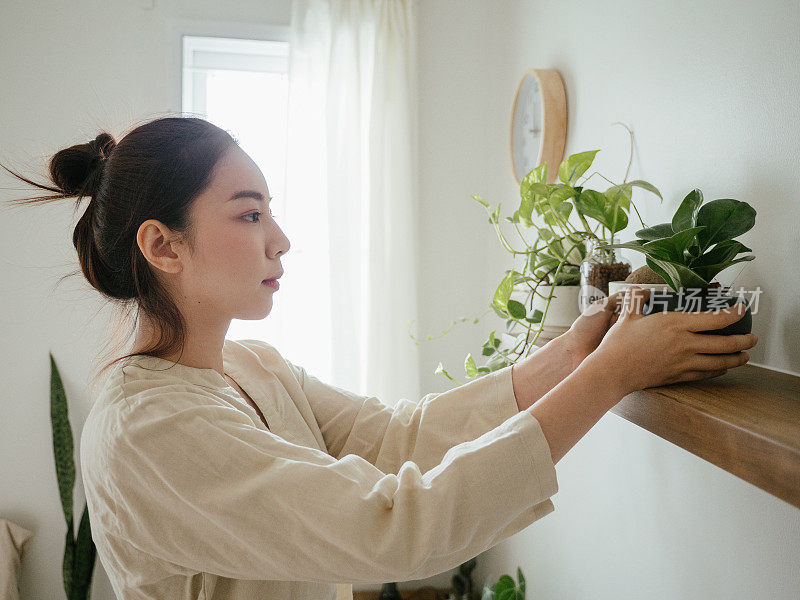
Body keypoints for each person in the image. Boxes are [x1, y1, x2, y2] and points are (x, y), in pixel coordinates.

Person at [1, 116, 757, 600]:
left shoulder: (253, 366)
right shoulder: (144, 432)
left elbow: (403, 436)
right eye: (250, 213)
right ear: (163, 245)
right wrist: (614, 371)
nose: (280, 238)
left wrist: (583, 341)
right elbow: (395, 527)